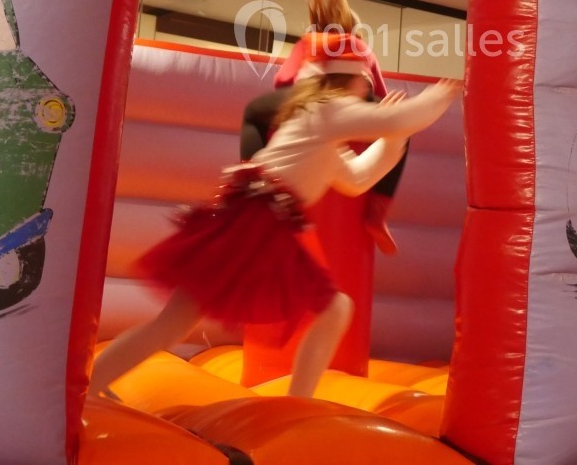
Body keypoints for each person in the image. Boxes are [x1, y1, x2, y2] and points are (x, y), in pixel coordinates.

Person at [90, 32, 462, 399]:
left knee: (173, 324)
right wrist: (440, 94)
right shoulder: (326, 110)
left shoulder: (321, 134)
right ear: (345, 82)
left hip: (252, 218)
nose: (366, 94)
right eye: (363, 85)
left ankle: (90, 384)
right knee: (331, 309)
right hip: (258, 221)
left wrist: (394, 138)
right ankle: (298, 400)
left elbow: (357, 180)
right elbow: (402, 118)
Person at [240, 0, 405, 254]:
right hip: (348, 106)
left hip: (309, 102)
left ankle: (251, 174)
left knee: (253, 113)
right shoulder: (359, 47)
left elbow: (282, 81)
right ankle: (379, 207)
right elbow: (378, 88)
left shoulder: (309, 41)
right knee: (399, 130)